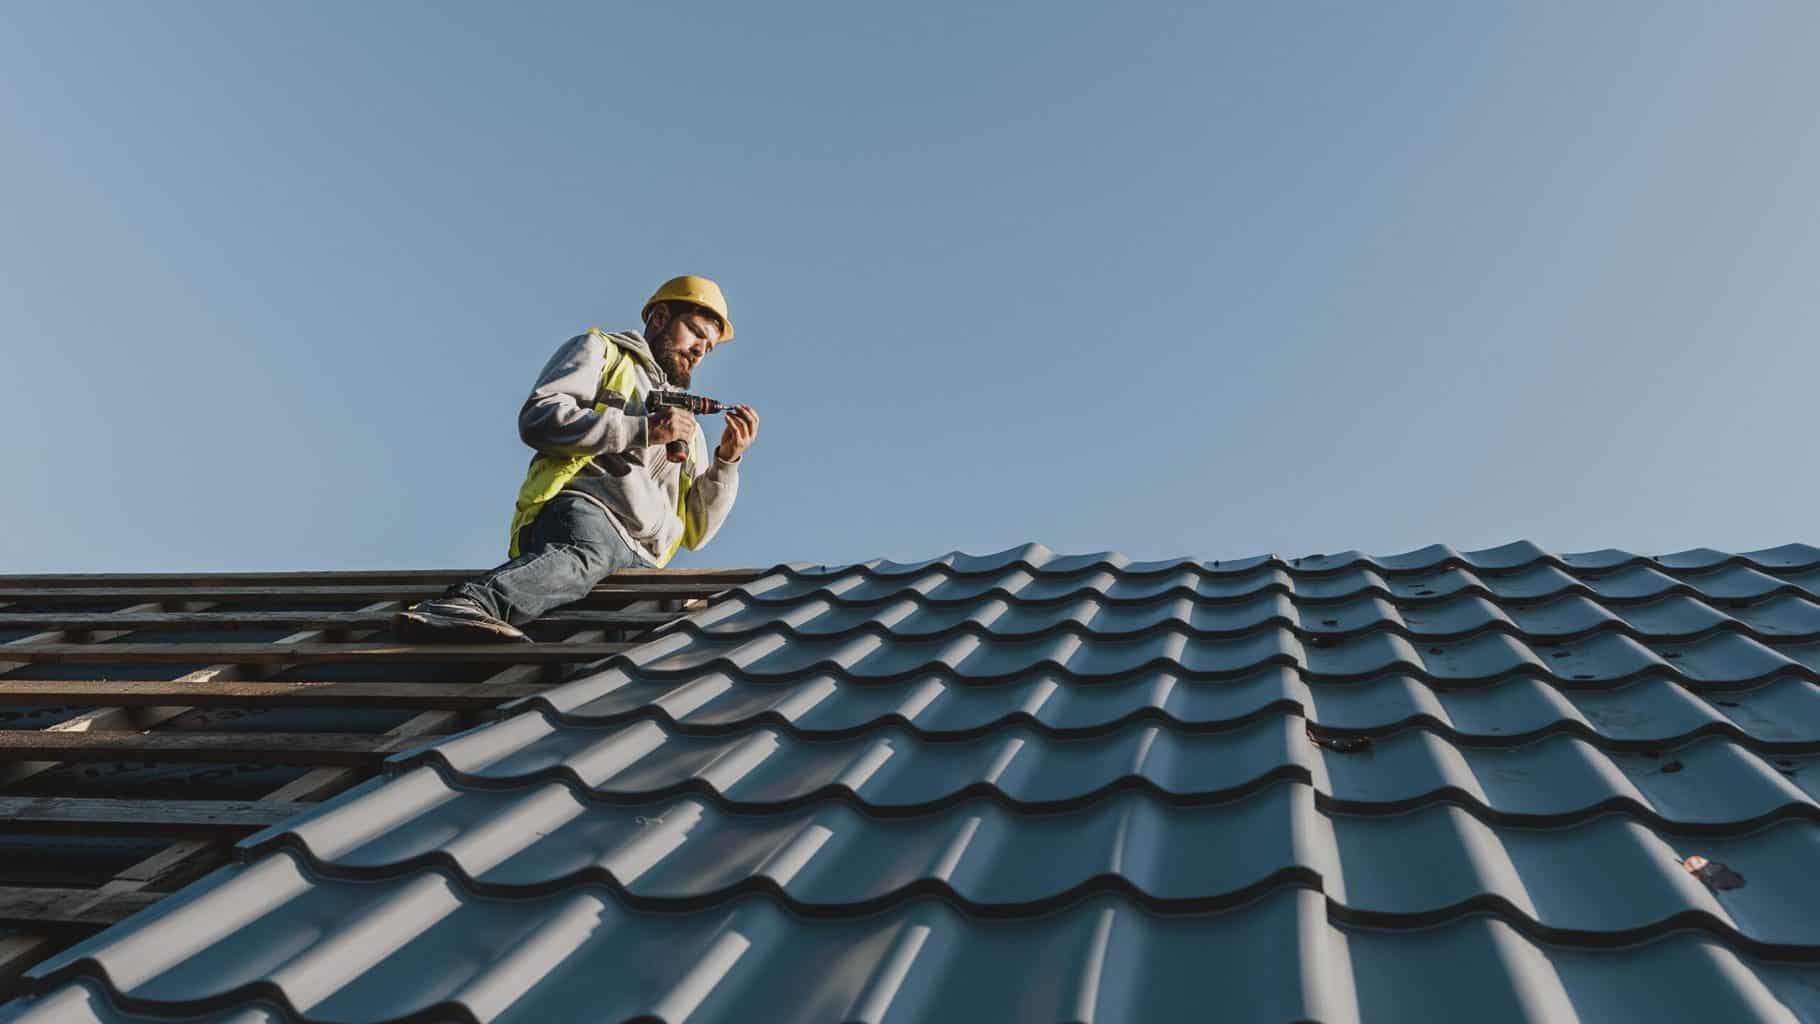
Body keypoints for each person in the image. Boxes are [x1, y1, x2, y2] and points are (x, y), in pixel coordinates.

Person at [395, 275, 759, 643]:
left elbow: (696, 532)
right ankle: (468, 603)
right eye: (695, 333)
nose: (700, 350)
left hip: (643, 559)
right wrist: (642, 430)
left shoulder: (689, 430)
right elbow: (539, 419)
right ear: (660, 318)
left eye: (709, 347)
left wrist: (727, 462)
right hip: (590, 516)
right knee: (586, 555)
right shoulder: (603, 353)